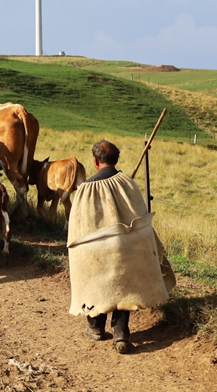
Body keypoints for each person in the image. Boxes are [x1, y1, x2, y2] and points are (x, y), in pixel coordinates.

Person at [67, 140, 175, 354]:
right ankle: (121, 334)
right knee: (124, 284)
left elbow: (77, 229)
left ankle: (96, 328)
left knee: (95, 278)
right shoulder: (127, 182)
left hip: (95, 249)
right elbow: (140, 217)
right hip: (126, 246)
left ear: (95, 161)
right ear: (115, 160)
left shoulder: (84, 190)